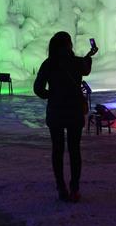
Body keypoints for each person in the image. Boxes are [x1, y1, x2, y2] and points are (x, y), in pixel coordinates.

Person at [33, 31, 98, 202]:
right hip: (74, 110)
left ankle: (61, 187)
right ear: (68, 45)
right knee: (74, 150)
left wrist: (51, 94)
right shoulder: (76, 62)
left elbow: (38, 88)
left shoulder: (48, 64)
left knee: (57, 150)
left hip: (55, 111)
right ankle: (74, 188)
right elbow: (86, 68)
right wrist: (90, 55)